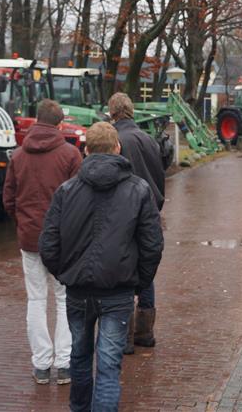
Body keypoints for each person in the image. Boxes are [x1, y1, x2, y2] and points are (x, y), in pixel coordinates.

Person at [39, 121, 163, 412]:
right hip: (117, 290)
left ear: (86, 150)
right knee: (108, 366)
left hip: (79, 290)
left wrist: (66, 273)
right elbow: (152, 245)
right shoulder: (139, 190)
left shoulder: (67, 190)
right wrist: (139, 282)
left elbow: (49, 244)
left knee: (80, 358)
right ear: (118, 148)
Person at [4, 99, 82, 386]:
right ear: (60, 124)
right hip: (63, 241)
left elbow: (9, 199)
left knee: (36, 300)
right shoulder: (70, 155)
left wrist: (23, 222)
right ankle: (64, 363)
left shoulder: (18, 156)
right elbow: (79, 199)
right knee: (64, 299)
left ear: (37, 120)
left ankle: (41, 364)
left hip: (30, 238)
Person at [106, 92, 165, 353]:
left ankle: (126, 336)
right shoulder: (148, 139)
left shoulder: (115, 140)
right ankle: (145, 331)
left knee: (125, 273)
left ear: (112, 113)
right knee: (146, 270)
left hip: (124, 214)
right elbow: (160, 175)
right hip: (150, 212)